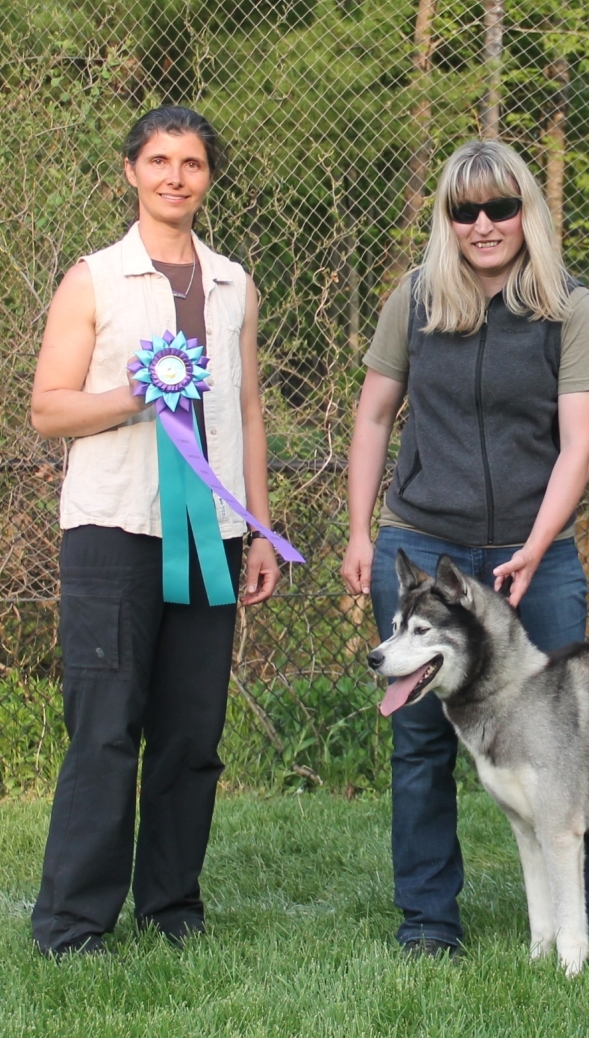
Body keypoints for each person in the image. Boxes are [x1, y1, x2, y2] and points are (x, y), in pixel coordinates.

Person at [340, 139, 589, 957]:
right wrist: (360, 532)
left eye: (499, 207)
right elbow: (373, 415)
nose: (482, 224)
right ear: (446, 218)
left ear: (525, 212)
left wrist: (536, 546)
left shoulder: (567, 306)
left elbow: (579, 444)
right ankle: (428, 921)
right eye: (463, 210)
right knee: (418, 741)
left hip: (531, 557)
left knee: (562, 738)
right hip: (422, 545)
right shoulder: (413, 299)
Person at [29, 106, 282, 956]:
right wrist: (136, 396)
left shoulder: (234, 284)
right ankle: (73, 925)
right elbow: (47, 409)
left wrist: (258, 530)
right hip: (114, 530)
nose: (176, 177)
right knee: (105, 730)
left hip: (211, 535)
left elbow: (248, 410)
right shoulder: (93, 280)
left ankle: (172, 910)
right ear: (131, 171)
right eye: (160, 161)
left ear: (209, 178)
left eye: (193, 163)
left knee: (191, 733)